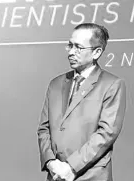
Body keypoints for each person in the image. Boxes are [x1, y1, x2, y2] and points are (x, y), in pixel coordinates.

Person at [37, 23, 126, 181]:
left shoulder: (112, 84)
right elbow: (44, 129)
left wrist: (71, 167)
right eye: (70, 45)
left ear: (97, 52)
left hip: (91, 175)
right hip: (56, 175)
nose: (71, 52)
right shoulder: (56, 84)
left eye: (78, 47)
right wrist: (51, 162)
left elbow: (106, 134)